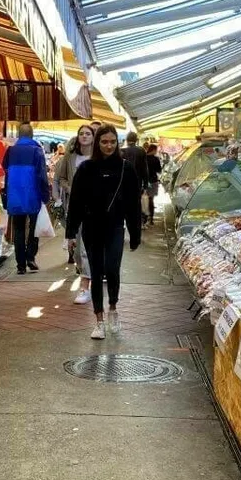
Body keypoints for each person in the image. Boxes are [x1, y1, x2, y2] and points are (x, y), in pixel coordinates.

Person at [65, 124, 142, 340]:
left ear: (118, 143)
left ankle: (113, 309)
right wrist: (70, 233)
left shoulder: (126, 169)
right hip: (91, 228)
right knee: (96, 272)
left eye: (112, 141)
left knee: (113, 269)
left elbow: (133, 204)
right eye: (104, 142)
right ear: (98, 143)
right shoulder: (86, 169)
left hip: (116, 226)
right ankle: (99, 320)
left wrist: (135, 234)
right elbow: (76, 203)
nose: (108, 146)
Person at [53, 124, 96, 305]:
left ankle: (84, 288)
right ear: (77, 137)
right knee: (77, 249)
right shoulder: (70, 157)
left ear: (93, 137)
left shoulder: (99, 157)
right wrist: (69, 189)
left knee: (85, 247)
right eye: (81, 133)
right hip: (75, 206)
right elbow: (60, 177)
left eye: (88, 133)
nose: (84, 136)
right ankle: (87, 272)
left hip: (94, 208)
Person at [2, 123, 50, 275]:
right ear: (32, 135)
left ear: (18, 135)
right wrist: (45, 195)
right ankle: (30, 257)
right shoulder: (37, 150)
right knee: (34, 228)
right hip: (33, 194)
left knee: (18, 228)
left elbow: (4, 169)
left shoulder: (10, 150)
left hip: (14, 195)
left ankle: (20, 265)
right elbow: (42, 175)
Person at [119, 131, 151, 224]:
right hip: (137, 184)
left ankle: (123, 223)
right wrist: (145, 185)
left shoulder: (122, 151)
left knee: (123, 205)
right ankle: (135, 223)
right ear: (136, 140)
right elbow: (145, 169)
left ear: (127, 140)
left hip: (123, 184)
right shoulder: (141, 151)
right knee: (135, 207)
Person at [145, 143, 163, 225]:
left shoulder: (143, 158)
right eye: (156, 150)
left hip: (145, 180)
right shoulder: (156, 159)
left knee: (144, 199)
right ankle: (151, 219)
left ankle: (144, 218)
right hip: (153, 181)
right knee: (151, 200)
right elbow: (159, 170)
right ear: (153, 150)